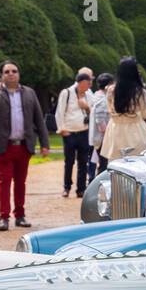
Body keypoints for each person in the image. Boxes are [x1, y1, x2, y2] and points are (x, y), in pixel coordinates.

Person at [0, 59, 49, 231]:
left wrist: (44, 143)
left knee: (20, 182)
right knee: (4, 182)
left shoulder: (29, 93)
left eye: (14, 71)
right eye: (7, 71)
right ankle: (3, 217)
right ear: (1, 75)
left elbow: (39, 120)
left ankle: (20, 215)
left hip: (24, 145)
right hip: (3, 146)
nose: (11, 74)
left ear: (19, 74)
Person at [101, 57, 146, 163]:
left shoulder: (111, 90)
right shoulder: (140, 92)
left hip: (116, 129)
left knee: (116, 164)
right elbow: (145, 114)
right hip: (135, 129)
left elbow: (109, 109)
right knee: (138, 163)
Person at [55, 70, 91, 198]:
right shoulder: (67, 93)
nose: (89, 86)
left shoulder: (88, 95)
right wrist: (62, 129)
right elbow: (60, 111)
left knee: (83, 162)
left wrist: (86, 106)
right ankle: (67, 187)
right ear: (80, 83)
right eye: (88, 83)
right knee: (69, 161)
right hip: (69, 132)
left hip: (84, 132)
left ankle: (81, 189)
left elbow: (93, 111)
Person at [87, 72, 113, 180]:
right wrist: (108, 133)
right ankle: (98, 189)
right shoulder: (103, 99)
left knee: (100, 164)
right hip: (102, 138)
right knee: (103, 166)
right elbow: (100, 121)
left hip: (97, 138)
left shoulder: (96, 96)